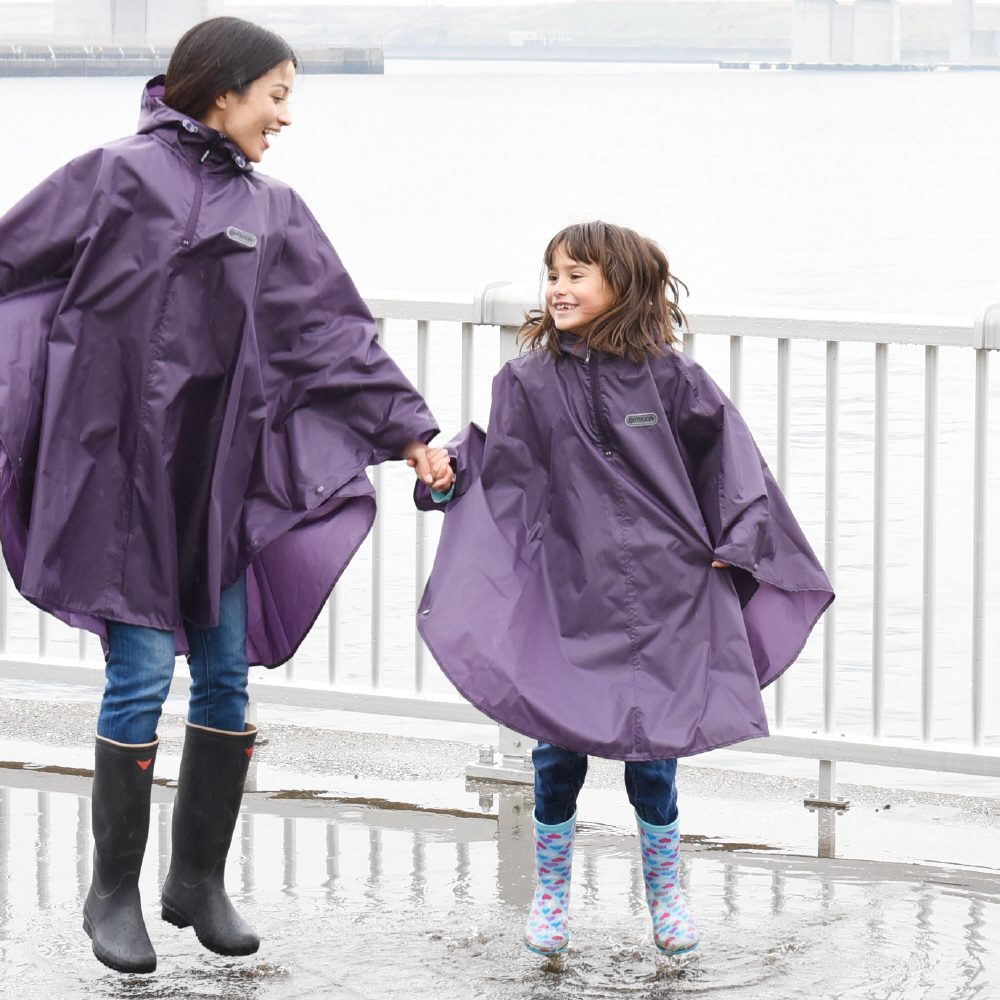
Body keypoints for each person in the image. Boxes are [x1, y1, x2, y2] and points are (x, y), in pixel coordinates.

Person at [0, 17, 451, 974]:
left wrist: (410, 431)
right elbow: (11, 264)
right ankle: (112, 892)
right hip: (118, 478)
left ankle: (197, 880)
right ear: (224, 90)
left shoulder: (274, 210)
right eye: (277, 95)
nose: (285, 116)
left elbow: (331, 334)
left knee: (227, 677)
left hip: (219, 483)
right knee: (137, 676)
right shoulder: (116, 175)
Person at [413, 221, 834, 957]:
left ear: (622, 285)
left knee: (653, 749)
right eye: (553, 275)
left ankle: (666, 894)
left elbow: (732, 461)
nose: (559, 288)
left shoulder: (671, 378)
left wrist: (739, 541)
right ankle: (551, 894)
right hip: (570, 590)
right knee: (557, 745)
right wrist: (449, 476)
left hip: (666, 591)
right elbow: (506, 473)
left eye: (577, 275)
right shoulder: (527, 380)